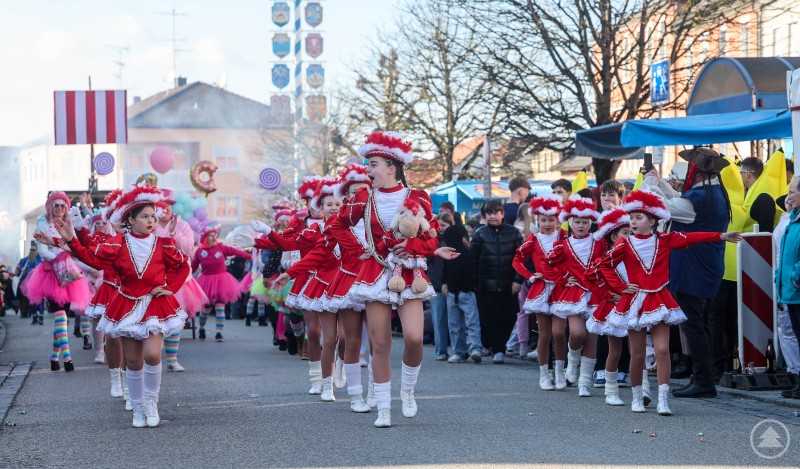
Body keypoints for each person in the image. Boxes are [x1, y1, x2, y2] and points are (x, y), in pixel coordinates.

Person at [333, 131, 459, 427]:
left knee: (414, 338)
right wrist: (357, 249)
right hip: (376, 274)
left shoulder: (418, 197)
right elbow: (338, 226)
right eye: (367, 164)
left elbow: (429, 237)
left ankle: (408, 391)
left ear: (392, 167)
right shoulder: (364, 198)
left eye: (373, 164)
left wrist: (421, 247)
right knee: (380, 343)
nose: (368, 170)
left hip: (410, 273)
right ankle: (384, 409)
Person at [54, 183, 191, 428]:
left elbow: (183, 265)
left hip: (155, 305)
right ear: (131, 219)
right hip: (126, 306)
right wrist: (71, 240)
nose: (151, 221)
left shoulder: (163, 244)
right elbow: (92, 258)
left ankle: (151, 402)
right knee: (134, 361)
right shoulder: (118, 243)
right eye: (145, 217)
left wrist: (172, 287)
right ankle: (138, 408)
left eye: (152, 216)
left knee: (152, 354)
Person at [597, 190, 740, 415]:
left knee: (662, 350)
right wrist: (620, 287)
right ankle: (636, 397)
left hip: (659, 299)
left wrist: (720, 236)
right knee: (638, 354)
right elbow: (604, 265)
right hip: (634, 301)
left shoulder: (664, 240)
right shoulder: (624, 245)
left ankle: (663, 400)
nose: (633, 222)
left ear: (652, 221)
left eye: (639, 218)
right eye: (631, 218)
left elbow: (693, 237)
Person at [643, 148, 732, 398]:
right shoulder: (712, 193)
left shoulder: (701, 198)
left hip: (693, 267)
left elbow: (667, 207)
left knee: (694, 326)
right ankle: (702, 377)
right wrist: (659, 182)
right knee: (698, 324)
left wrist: (650, 185)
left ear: (696, 171)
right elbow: (679, 201)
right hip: (704, 265)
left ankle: (704, 380)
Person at [269, 177, 346, 402]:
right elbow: (285, 244)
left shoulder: (347, 224)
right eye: (326, 203)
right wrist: (265, 234)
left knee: (340, 334)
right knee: (313, 331)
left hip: (337, 280)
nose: (331, 207)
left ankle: (340, 364)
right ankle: (317, 379)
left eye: (336, 204)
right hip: (308, 279)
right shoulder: (302, 224)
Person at [23, 192, 93, 372]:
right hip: (50, 276)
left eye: (63, 205)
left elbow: (79, 244)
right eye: (56, 205)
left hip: (69, 276)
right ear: (50, 207)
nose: (60, 208)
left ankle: (54, 358)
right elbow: (42, 251)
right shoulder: (42, 224)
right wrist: (59, 257)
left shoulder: (69, 224)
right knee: (60, 317)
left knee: (62, 320)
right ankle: (67, 359)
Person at [547, 195, 607, 397]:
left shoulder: (599, 242)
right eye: (577, 222)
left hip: (596, 293)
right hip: (573, 294)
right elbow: (549, 266)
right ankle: (572, 364)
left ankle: (585, 382)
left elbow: (606, 263)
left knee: (592, 337)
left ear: (590, 223)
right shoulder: (562, 245)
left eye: (584, 222)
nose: (581, 226)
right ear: (570, 223)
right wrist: (564, 279)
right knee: (577, 333)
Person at [512, 194, 567, 389]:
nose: (547, 223)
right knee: (544, 334)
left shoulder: (565, 238)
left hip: (561, 289)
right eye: (543, 220)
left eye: (551, 219)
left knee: (559, 333)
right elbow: (517, 260)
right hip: (541, 289)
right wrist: (529, 275)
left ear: (558, 220)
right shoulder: (533, 239)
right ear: (537, 219)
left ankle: (560, 372)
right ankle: (544, 374)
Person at [585, 208, 635, 405]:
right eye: (625, 233)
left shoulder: (640, 256)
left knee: (637, 350)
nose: (630, 237)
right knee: (614, 349)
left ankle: (642, 391)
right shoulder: (607, 259)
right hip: (614, 308)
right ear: (613, 237)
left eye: (632, 233)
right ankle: (610, 390)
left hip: (635, 306)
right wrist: (609, 294)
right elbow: (589, 279)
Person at [156, 189, 207, 372]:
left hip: (180, 280)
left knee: (176, 319)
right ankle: (155, 357)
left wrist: (174, 233)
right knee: (157, 320)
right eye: (163, 205)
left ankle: (172, 359)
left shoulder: (183, 225)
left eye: (169, 205)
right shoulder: (150, 225)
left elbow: (188, 249)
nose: (166, 208)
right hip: (156, 279)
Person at [471, 199, 523, 364]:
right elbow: (473, 260)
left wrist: (517, 280)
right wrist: (474, 283)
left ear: (502, 214)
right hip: (486, 286)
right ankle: (498, 349)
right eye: (489, 213)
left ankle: (500, 344)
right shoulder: (479, 234)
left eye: (495, 213)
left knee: (509, 316)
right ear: (485, 215)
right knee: (490, 318)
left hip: (509, 285)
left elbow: (521, 258)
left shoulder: (514, 232)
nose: (492, 216)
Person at [192, 225, 252, 342]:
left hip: (222, 281)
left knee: (220, 308)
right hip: (206, 283)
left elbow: (236, 251)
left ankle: (219, 333)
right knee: (206, 309)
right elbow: (193, 266)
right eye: (211, 236)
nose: (214, 238)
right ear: (205, 238)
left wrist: (250, 257)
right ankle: (202, 328)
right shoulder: (200, 252)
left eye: (215, 235)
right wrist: (184, 277)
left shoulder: (221, 247)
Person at [442, 222, 482, 364]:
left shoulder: (466, 253)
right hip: (454, 293)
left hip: (464, 292)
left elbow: (471, 273)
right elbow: (445, 272)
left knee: (469, 322)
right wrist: (444, 283)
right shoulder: (448, 254)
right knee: (456, 324)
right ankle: (460, 351)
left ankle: (473, 349)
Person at [775, 177, 800, 400]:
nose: (789, 196)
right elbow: (785, 255)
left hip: (796, 288)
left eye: (792, 192)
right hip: (790, 290)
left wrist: (795, 275)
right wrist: (779, 276)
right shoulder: (793, 220)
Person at [428, 212, 453, 361]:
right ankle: (441, 350)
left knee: (453, 321)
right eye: (440, 225)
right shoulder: (433, 240)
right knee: (439, 320)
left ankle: (456, 349)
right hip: (435, 284)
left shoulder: (454, 239)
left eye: (444, 225)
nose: (442, 228)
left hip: (450, 284)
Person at [15, 242, 43, 324]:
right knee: (31, 300)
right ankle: (34, 317)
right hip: (29, 282)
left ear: (37, 251)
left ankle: (41, 317)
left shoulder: (41, 259)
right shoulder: (25, 260)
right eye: (31, 250)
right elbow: (18, 272)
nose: (31, 251)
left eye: (33, 250)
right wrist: (19, 268)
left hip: (39, 282)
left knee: (41, 300)